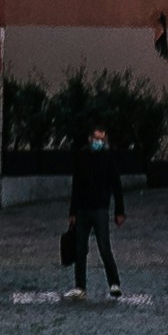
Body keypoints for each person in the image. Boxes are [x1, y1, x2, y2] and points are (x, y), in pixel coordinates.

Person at [66, 116, 126, 294]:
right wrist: (73, 211)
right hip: (83, 209)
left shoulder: (108, 158)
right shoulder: (82, 156)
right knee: (79, 249)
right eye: (96, 139)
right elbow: (76, 185)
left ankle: (114, 283)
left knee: (104, 247)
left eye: (102, 139)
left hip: (100, 208)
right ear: (90, 138)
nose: (99, 142)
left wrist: (119, 211)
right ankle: (80, 286)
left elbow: (117, 185)